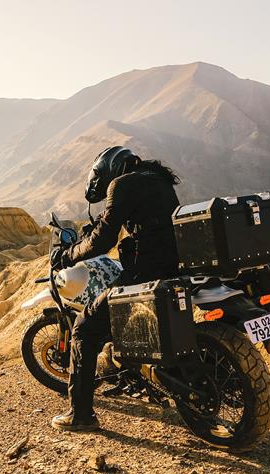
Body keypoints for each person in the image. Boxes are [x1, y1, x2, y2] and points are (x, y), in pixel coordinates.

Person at [50, 146, 181, 431]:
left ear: (110, 170)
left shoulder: (122, 184)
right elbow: (119, 219)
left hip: (146, 274)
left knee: (84, 329)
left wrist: (69, 255)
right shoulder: (157, 179)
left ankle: (80, 414)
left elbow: (102, 241)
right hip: (175, 269)